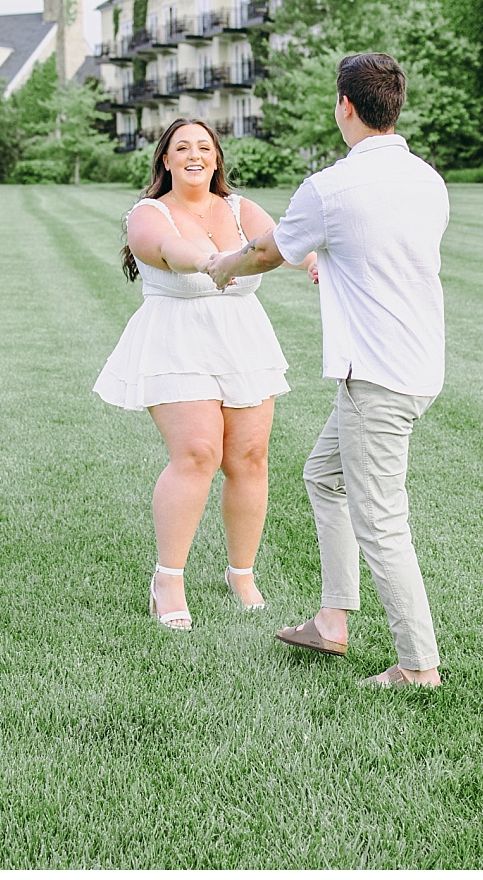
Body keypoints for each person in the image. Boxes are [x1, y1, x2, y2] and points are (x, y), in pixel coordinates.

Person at [208, 53, 449, 688]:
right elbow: (373, 251)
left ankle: (418, 665)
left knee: (381, 518)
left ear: (345, 105)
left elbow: (266, 251)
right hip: (415, 365)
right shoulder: (428, 180)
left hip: (376, 375)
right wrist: (327, 262)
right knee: (324, 477)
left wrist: (225, 266)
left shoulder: (331, 187)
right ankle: (332, 620)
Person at [95, 118, 318, 631]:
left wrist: (311, 261)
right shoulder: (148, 213)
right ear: (165, 160)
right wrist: (216, 260)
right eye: (181, 147)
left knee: (249, 458)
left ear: (216, 159)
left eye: (204, 147)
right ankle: (167, 580)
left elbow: (282, 242)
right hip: (176, 340)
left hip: (243, 340)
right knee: (197, 453)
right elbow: (173, 253)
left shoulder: (240, 209)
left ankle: (241, 574)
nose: (194, 154)